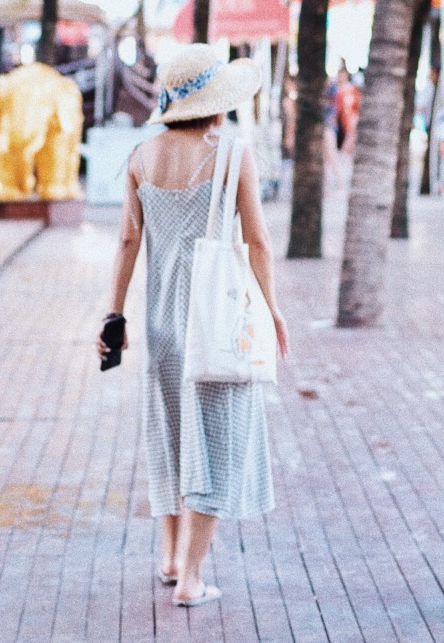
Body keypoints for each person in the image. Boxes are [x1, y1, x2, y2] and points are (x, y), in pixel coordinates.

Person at [100, 44, 289, 608]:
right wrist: (272, 307)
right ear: (217, 103)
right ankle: (191, 578)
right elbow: (257, 241)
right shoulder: (233, 155)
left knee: (168, 435)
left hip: (160, 321)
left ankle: (169, 555)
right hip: (213, 324)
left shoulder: (140, 156)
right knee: (214, 443)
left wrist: (115, 314)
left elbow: (128, 240)